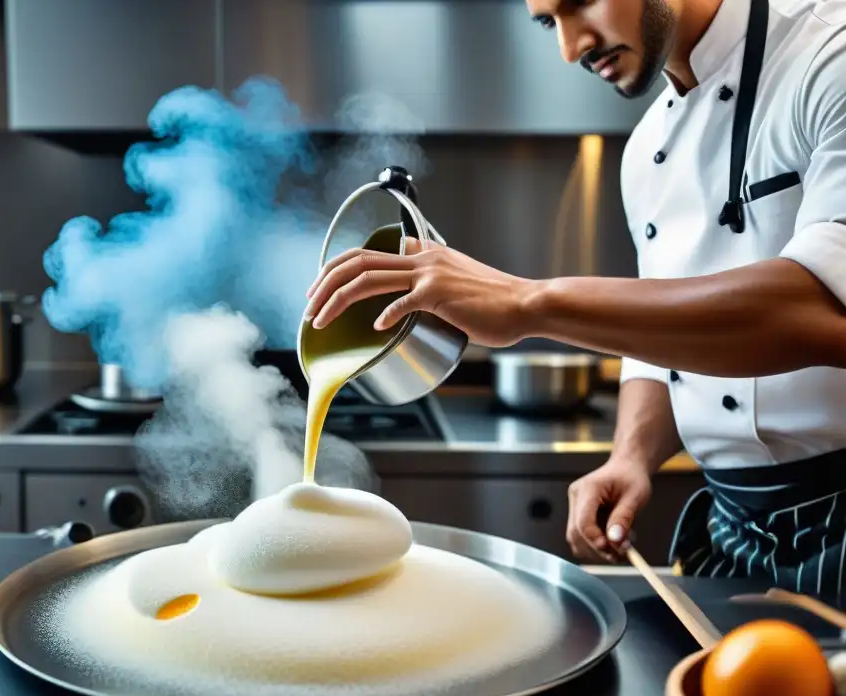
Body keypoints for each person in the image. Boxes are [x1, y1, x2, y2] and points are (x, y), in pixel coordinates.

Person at [302, 0, 846, 602]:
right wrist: (631, 455)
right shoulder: (647, 151)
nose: (569, 47)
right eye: (547, 21)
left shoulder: (829, 55)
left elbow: (820, 310)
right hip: (733, 531)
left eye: (581, 3)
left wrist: (526, 302)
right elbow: (656, 334)